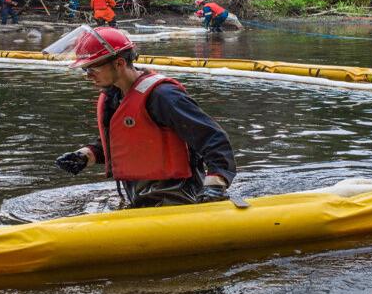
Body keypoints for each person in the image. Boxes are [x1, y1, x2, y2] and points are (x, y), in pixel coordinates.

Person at [54, 26, 236, 208]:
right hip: (139, 195)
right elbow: (129, 141)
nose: (88, 76)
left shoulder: (163, 96)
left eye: (93, 68)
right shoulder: (114, 96)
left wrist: (216, 184)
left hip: (178, 196)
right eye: (85, 69)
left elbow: (213, 138)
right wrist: (87, 155)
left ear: (119, 63)